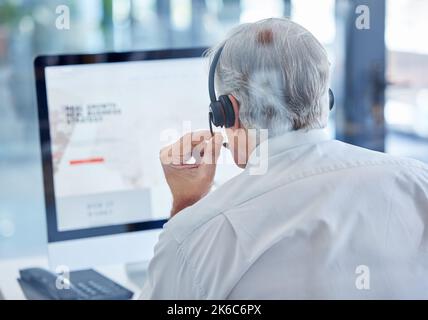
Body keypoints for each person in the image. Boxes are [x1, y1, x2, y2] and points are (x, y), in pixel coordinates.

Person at [140, 18, 428, 299]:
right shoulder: (417, 181)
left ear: (228, 112)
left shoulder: (198, 235)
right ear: (324, 100)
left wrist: (186, 207)